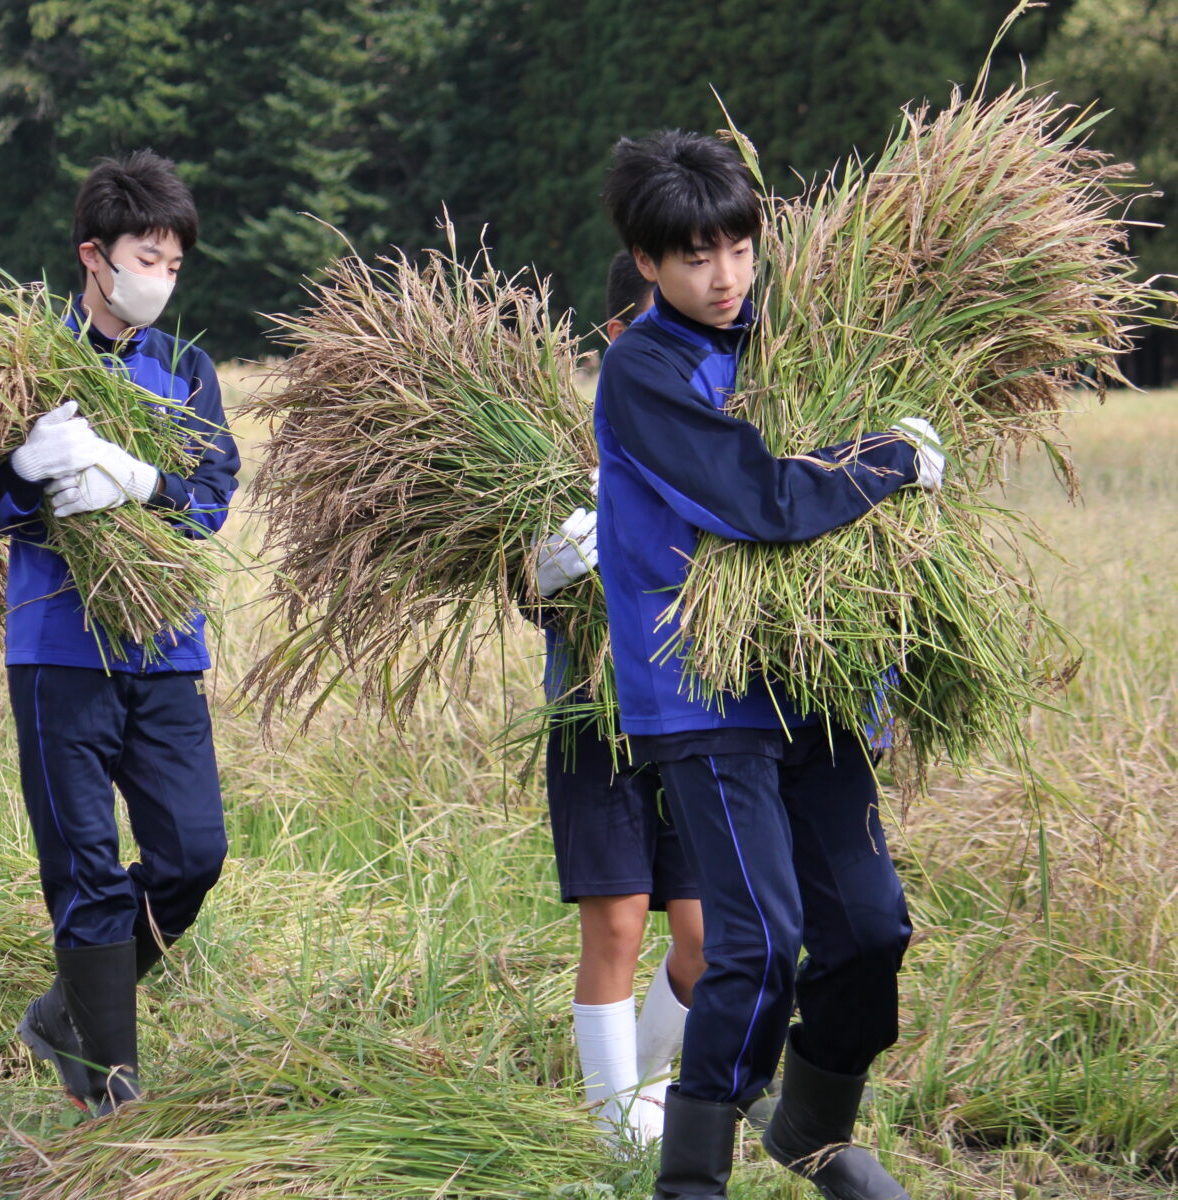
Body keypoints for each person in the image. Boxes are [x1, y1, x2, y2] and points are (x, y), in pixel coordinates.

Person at [592, 130, 944, 1200]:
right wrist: (889, 459)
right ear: (648, 265)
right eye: (694, 257)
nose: (725, 276)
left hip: (810, 683)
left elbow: (816, 446)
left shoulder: (791, 337)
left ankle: (811, 1126)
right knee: (759, 943)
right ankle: (690, 1180)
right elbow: (758, 500)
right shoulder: (642, 370)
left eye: (739, 247)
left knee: (871, 929)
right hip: (698, 692)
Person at [0, 149, 239, 1117]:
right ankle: (112, 1098)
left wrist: (143, 481)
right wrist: (27, 469)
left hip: (164, 647)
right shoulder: (25, 364)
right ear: (94, 255)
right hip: (57, 654)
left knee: (193, 853)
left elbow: (212, 501)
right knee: (82, 866)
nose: (160, 278)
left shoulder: (188, 370)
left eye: (173, 263)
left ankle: (69, 1011)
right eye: (146, 258)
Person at [531, 249, 702, 1148]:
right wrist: (545, 567)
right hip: (593, 716)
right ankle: (621, 1143)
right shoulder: (555, 452)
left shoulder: (714, 427)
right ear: (617, 333)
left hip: (696, 708)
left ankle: (640, 1093)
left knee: (708, 937)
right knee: (618, 924)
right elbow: (526, 591)